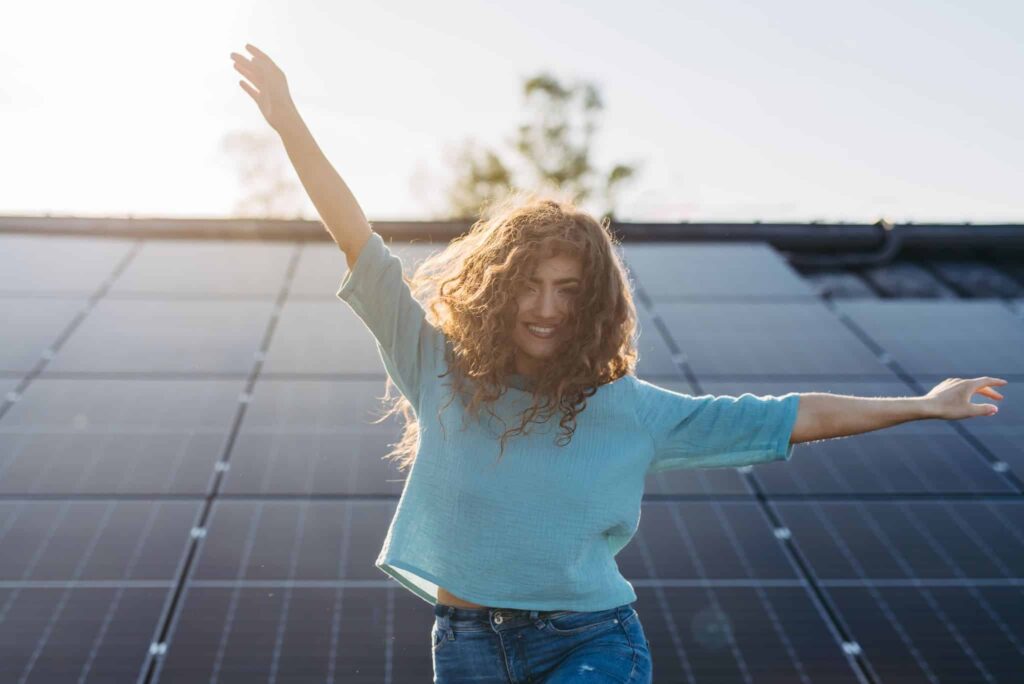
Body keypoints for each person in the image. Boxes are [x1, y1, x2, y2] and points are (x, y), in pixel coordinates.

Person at [230, 43, 1009, 683]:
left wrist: (923, 404)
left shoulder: (628, 408)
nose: (545, 306)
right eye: (529, 285)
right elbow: (358, 241)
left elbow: (786, 418)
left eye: (568, 291)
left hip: (590, 647)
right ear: (498, 289)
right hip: (464, 648)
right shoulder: (434, 365)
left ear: (593, 305)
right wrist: (289, 122)